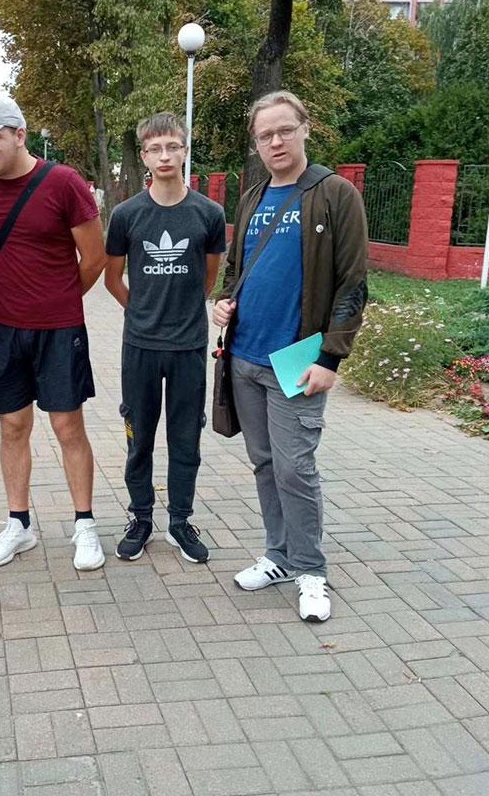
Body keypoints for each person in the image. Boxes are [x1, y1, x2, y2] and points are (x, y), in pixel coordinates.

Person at [212, 90, 368, 623]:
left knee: (295, 468)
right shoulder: (253, 196)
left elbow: (353, 283)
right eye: (265, 135)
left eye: (284, 130)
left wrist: (331, 358)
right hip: (244, 356)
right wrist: (224, 302)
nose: (275, 141)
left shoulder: (334, 194)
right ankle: (278, 555)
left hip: (297, 358)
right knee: (264, 463)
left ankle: (311, 570)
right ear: (256, 143)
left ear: (304, 129)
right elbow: (237, 268)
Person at [0, 93, 108, 571]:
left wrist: (58, 299)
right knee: (12, 425)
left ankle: (84, 524)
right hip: (0, 328)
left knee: (67, 426)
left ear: (19, 135)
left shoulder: (63, 183)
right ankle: (18, 524)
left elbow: (95, 257)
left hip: (59, 330)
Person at [105, 112, 226, 564]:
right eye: (155, 148)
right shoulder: (127, 215)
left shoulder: (209, 213)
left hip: (189, 346)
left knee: (185, 438)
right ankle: (140, 517)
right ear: (144, 156)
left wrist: (184, 311)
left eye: (172, 146)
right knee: (139, 438)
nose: (164, 156)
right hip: (140, 346)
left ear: (184, 151)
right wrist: (139, 311)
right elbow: (112, 278)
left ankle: (180, 521)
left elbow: (208, 278)